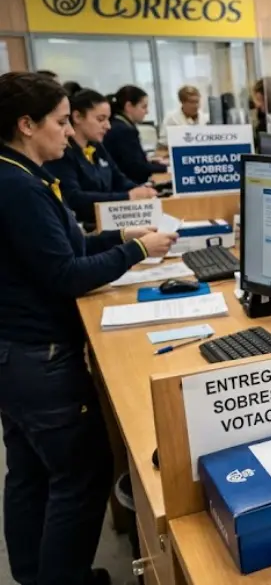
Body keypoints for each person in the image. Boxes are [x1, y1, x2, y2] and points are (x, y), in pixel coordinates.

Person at [0, 72, 177, 585]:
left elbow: (64, 248)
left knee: (29, 472)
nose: (69, 133)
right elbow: (65, 274)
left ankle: (35, 575)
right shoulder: (20, 186)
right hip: (39, 358)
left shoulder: (17, 173)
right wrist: (137, 250)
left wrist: (119, 236)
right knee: (80, 475)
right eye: (60, 122)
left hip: (16, 356)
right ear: (26, 124)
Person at [43, 89, 156, 225]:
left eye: (108, 119)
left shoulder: (97, 146)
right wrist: (127, 196)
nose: (108, 126)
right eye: (100, 119)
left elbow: (118, 179)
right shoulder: (62, 153)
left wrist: (142, 191)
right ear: (77, 117)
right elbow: (74, 198)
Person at [102, 85, 166, 183]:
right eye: (143, 107)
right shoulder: (123, 131)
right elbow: (137, 168)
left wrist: (151, 162)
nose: (147, 112)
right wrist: (169, 168)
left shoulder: (120, 125)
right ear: (129, 106)